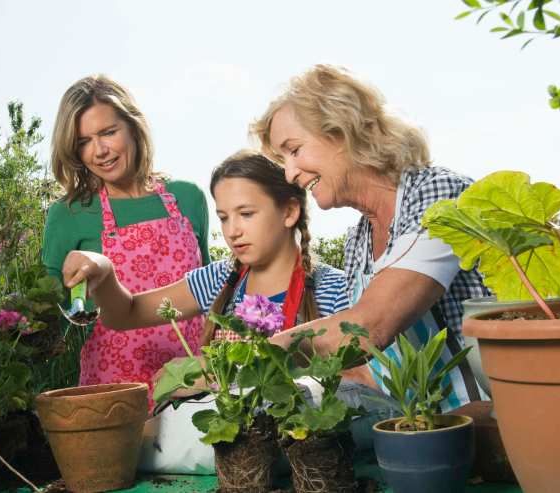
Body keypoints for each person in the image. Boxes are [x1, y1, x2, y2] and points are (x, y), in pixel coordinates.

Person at [252, 64, 490, 412]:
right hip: (411, 426)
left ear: (343, 131)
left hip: (486, 422)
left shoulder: (437, 197)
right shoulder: (358, 241)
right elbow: (374, 369)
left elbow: (370, 326)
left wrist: (272, 347)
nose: (289, 173)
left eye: (295, 150)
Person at [61, 150, 349, 364]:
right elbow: (126, 314)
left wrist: (209, 371)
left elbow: (358, 383)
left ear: (289, 212)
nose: (233, 231)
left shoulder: (334, 290)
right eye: (224, 217)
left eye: (246, 214)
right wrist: (104, 271)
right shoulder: (219, 279)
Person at [42, 75, 210, 398]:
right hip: (114, 393)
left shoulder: (188, 198)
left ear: (133, 126)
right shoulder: (69, 214)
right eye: (83, 142)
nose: (99, 151)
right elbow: (50, 318)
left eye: (108, 132)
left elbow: (214, 297)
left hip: (189, 387)